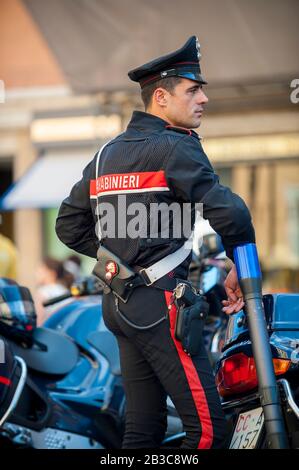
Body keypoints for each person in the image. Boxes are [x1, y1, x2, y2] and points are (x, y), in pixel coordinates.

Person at [55, 36, 255, 448]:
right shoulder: (176, 146)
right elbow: (231, 213)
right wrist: (243, 264)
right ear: (161, 97)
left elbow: (68, 226)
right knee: (210, 432)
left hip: (118, 304)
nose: (204, 98)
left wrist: (121, 259)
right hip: (162, 306)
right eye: (193, 89)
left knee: (142, 432)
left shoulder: (107, 153)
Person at [35, 256, 73, 324]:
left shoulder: (43, 292)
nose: (36, 273)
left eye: (41, 270)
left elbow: (38, 321)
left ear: (52, 273)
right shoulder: (65, 291)